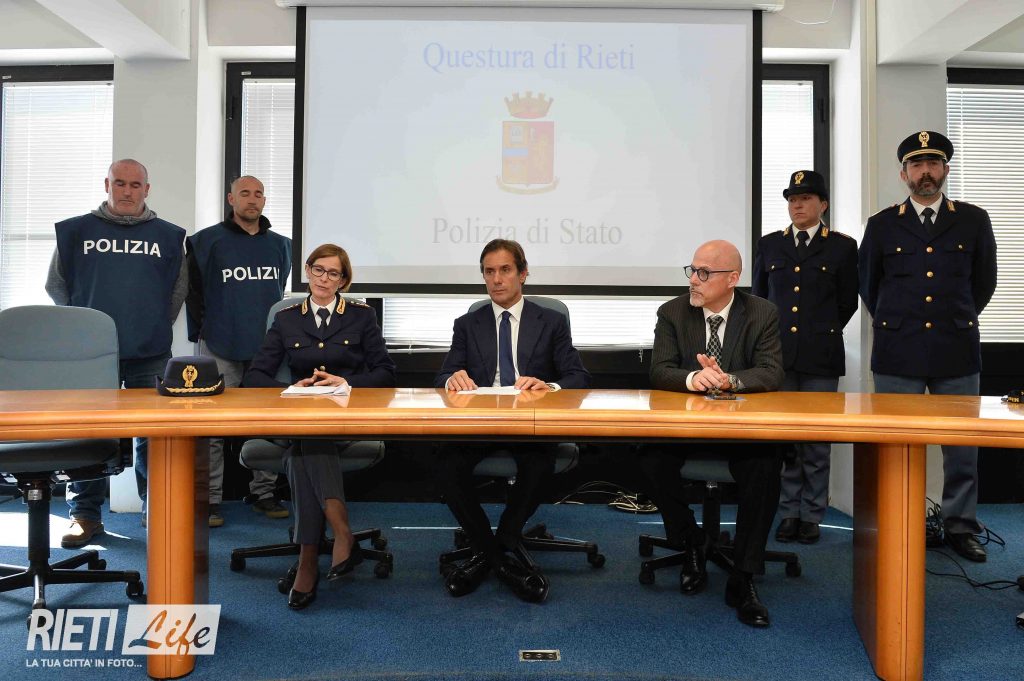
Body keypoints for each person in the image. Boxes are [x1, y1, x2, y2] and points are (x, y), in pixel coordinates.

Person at [859, 130, 997, 562]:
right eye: (916, 165)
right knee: (895, 445)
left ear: (945, 170)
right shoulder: (882, 224)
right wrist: (899, 320)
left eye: (933, 164)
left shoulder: (973, 220)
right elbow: (869, 286)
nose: (925, 172)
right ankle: (898, 522)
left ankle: (960, 526)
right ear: (904, 174)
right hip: (898, 351)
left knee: (961, 449)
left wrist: (955, 317)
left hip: (956, 350)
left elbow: (984, 282)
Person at [434, 239, 590, 603]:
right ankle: (498, 555)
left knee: (538, 465)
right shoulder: (467, 324)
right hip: (481, 424)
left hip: (529, 426)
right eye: (489, 272)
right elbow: (442, 375)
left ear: (523, 274)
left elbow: (578, 376)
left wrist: (549, 385)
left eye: (505, 270)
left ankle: (491, 550)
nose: (496, 279)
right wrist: (453, 378)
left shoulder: (550, 321)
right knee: (445, 465)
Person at [243, 243, 396, 610]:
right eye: (318, 270)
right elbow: (254, 376)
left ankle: (308, 559)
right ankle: (341, 532)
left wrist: (346, 383)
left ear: (343, 280)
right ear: (307, 271)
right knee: (306, 440)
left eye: (333, 273)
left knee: (302, 450)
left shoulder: (361, 317)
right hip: (296, 419)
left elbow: (386, 374)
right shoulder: (287, 319)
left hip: (344, 422)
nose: (324, 278)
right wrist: (290, 389)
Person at [640, 239, 784, 627]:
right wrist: (694, 378)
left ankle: (744, 576)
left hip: (741, 430)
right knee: (650, 459)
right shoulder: (672, 312)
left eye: (704, 273)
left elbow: (771, 371)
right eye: (692, 270)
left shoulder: (762, 313)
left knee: (766, 464)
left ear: (732, 279)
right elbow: (659, 370)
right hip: (688, 428)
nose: (694, 280)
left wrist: (729, 380)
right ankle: (691, 540)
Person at [45, 158, 187, 547]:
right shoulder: (77, 231)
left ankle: (154, 510)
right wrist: (84, 328)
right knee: (89, 431)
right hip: (91, 355)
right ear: (106, 185)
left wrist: (153, 321)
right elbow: (56, 284)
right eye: (120, 183)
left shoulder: (168, 236)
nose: (127, 191)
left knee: (152, 435)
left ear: (147, 189)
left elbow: (178, 289)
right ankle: (85, 516)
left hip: (149, 350)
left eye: (135, 185)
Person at [753, 170, 858, 545]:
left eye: (806, 199)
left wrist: (818, 331)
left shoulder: (842, 247)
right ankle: (788, 512)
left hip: (820, 356)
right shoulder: (770, 245)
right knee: (785, 440)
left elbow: (847, 302)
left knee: (815, 442)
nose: (797, 205)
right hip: (777, 357)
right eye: (792, 200)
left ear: (823, 204)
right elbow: (759, 301)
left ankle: (812, 514)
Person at [186, 175, 292, 527]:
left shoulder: (282, 246)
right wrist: (200, 334)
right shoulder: (205, 242)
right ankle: (210, 499)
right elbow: (193, 293)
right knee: (212, 426)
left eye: (258, 193)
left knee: (268, 424)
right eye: (244, 193)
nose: (252, 199)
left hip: (268, 349)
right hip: (219, 344)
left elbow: (278, 294)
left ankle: (264, 492)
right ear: (231, 199)